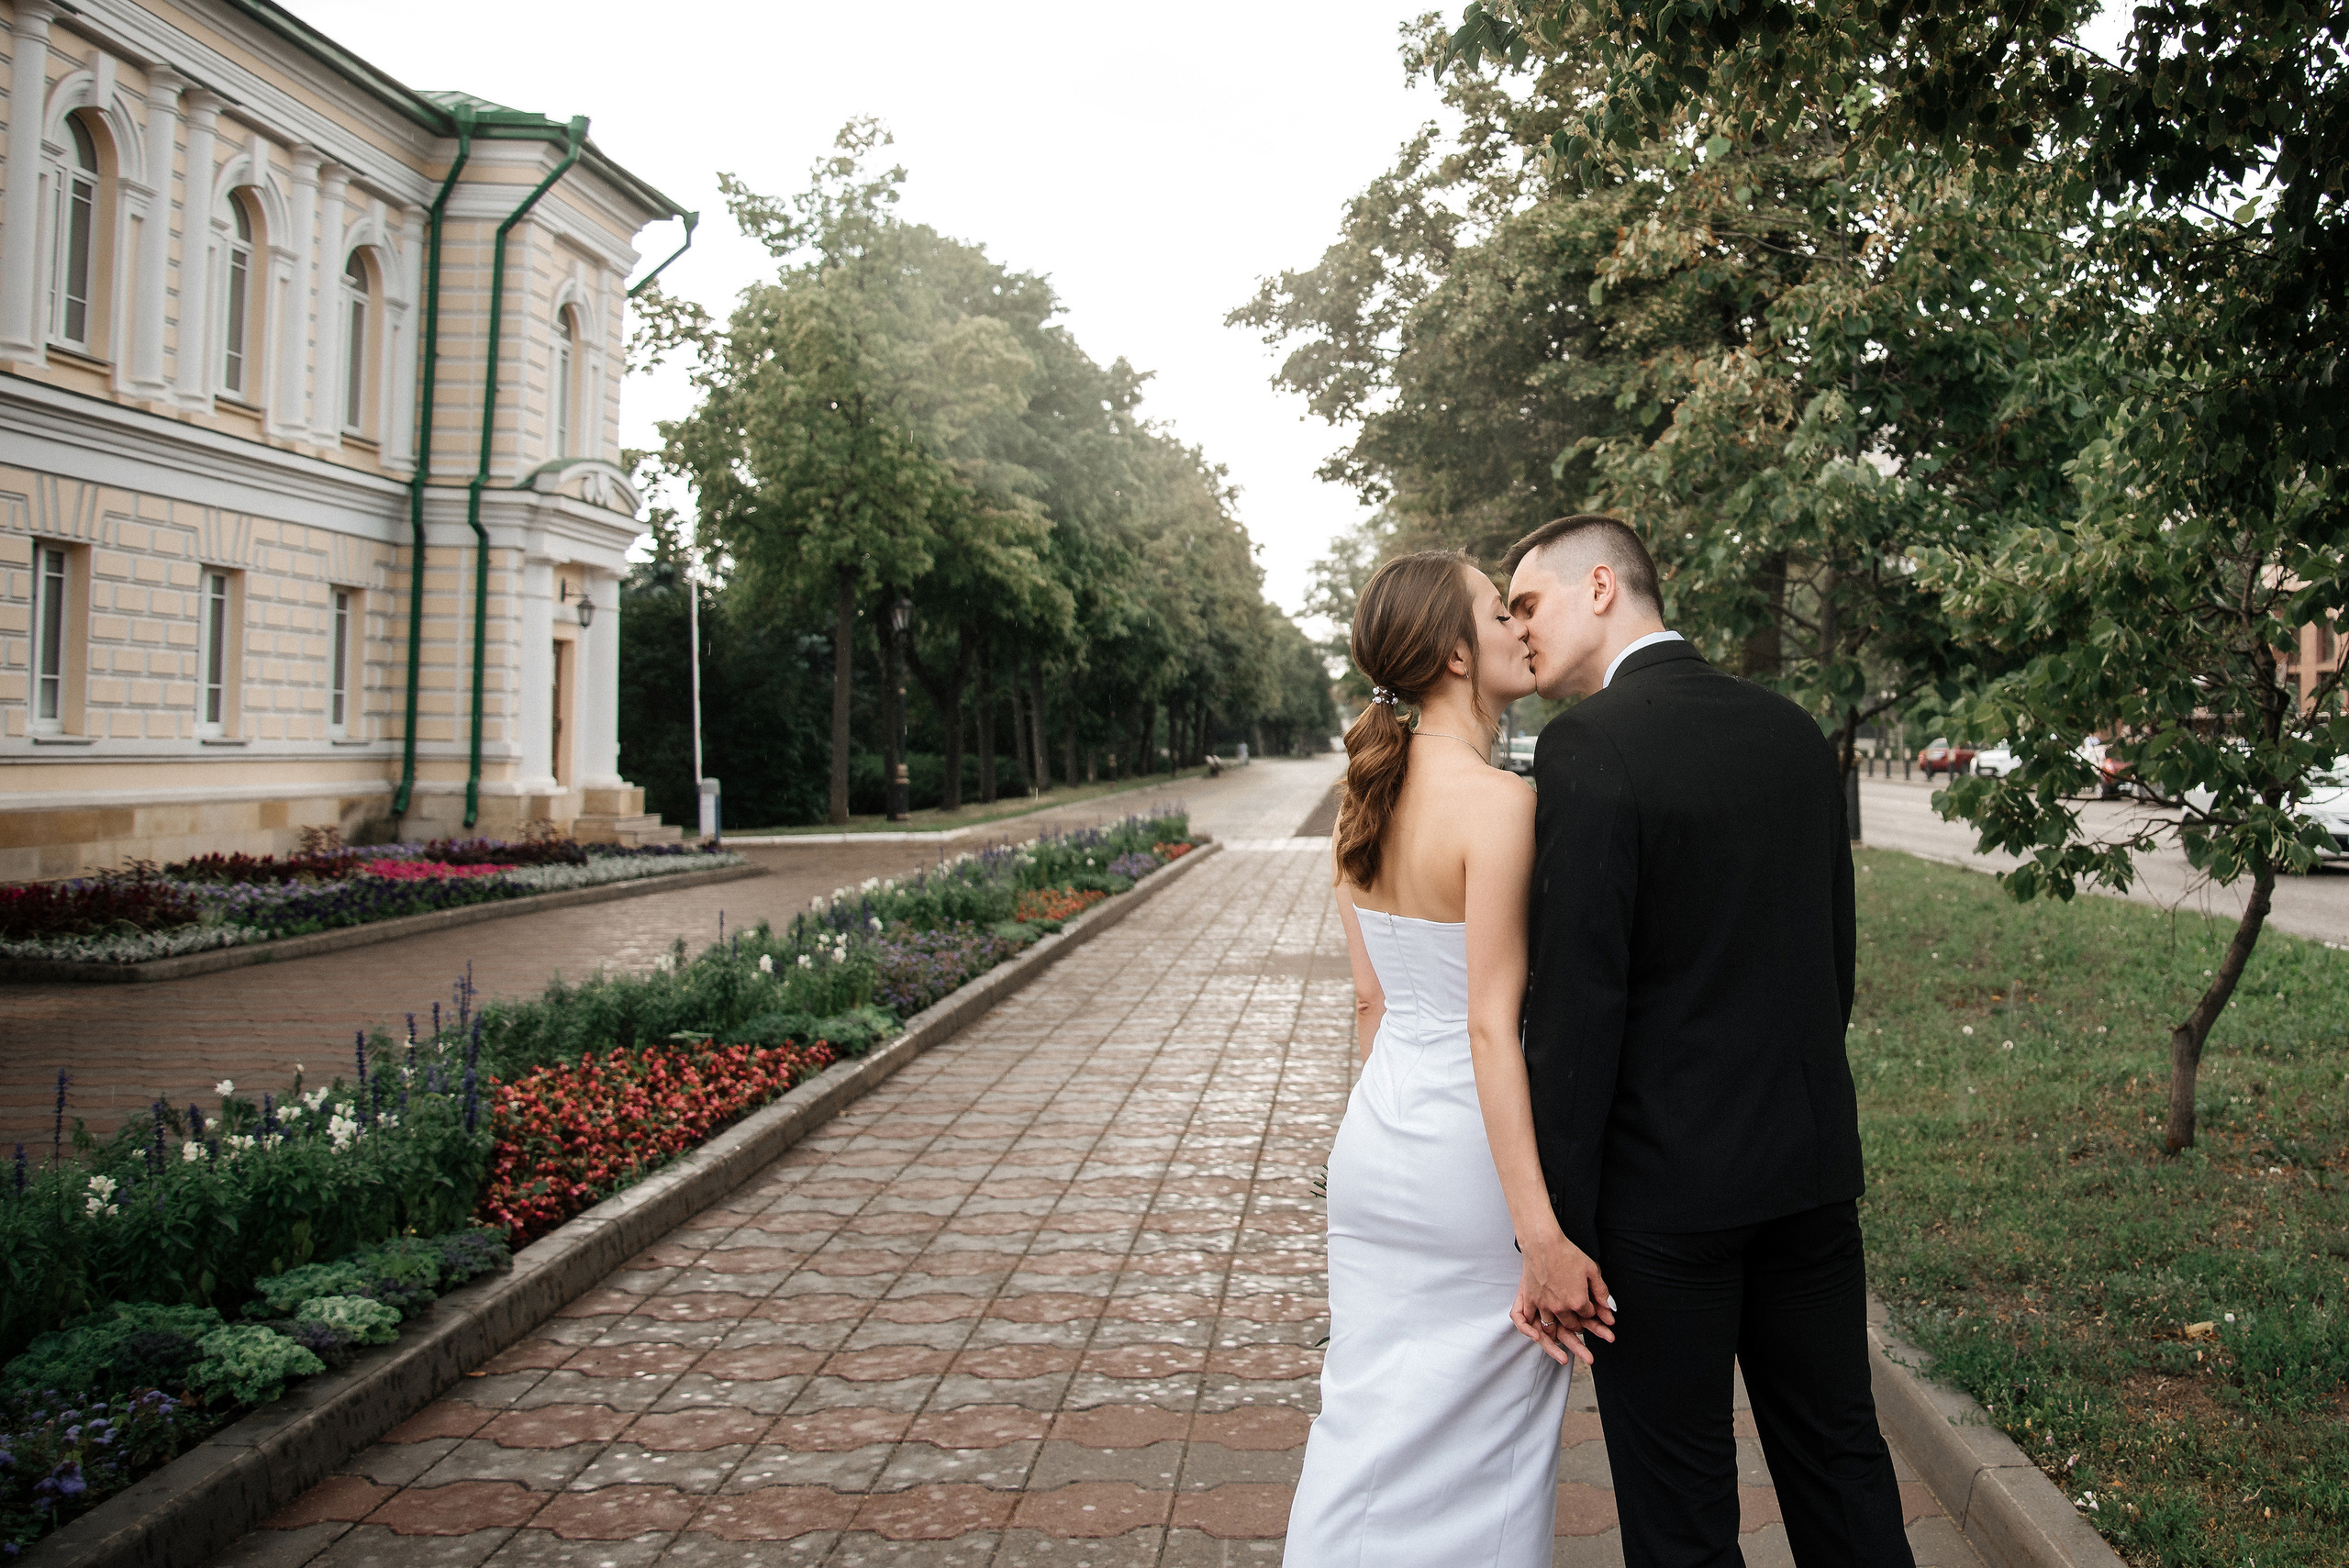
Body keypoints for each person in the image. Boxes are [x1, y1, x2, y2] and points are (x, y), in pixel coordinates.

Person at [1503, 515, 1914, 1568]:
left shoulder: (1587, 743)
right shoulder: (1790, 730)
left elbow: (1577, 1012)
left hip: (1662, 1206)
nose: (1518, 628)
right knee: (1841, 1462)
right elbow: (1830, 961)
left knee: (1681, 1507)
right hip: (1806, 1176)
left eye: (1528, 603)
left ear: (1601, 586)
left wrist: (1557, 1228)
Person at [1285, 550, 1599, 1566]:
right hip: (1473, 1162)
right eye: (1498, 612)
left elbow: (1371, 1002)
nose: (1519, 627)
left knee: (1363, 1420)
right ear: (1457, 654)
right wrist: (1540, 1232)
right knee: (1492, 1440)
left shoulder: (1362, 800)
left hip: (1376, 1147)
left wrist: (1384, 1135)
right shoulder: (1500, 803)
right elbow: (1489, 1025)